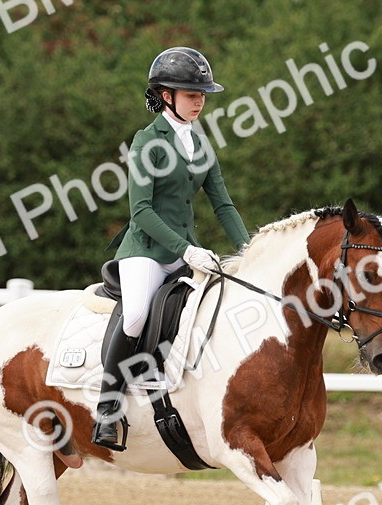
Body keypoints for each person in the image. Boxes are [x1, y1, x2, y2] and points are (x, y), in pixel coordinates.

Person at [92, 46, 251, 451]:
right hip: (145, 250)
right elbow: (141, 212)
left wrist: (250, 252)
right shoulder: (148, 142)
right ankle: (107, 409)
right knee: (137, 315)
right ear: (167, 96)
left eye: (202, 95)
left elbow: (223, 204)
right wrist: (186, 250)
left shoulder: (201, 144)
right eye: (191, 94)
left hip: (186, 250)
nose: (199, 102)